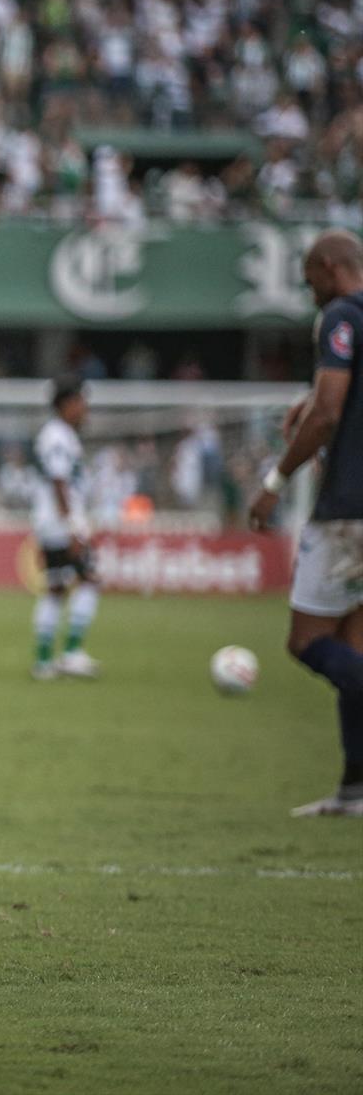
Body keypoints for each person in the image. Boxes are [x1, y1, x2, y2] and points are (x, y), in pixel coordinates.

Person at [247, 228, 363, 817]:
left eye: (308, 273)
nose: (305, 284)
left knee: (307, 641)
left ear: (329, 266)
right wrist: (312, 396)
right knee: (352, 643)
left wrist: (274, 483)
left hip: (349, 510)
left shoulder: (341, 316)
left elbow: (329, 414)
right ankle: (355, 790)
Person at [32, 375, 100, 681]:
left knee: (56, 588)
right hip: (61, 523)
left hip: (52, 522)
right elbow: (58, 481)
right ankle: (71, 653)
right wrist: (74, 526)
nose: (85, 409)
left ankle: (45, 660)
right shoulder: (57, 435)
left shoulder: (60, 434)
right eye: (81, 402)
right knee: (89, 580)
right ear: (66, 404)